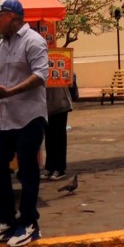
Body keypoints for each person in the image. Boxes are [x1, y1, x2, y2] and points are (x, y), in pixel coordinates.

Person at [0, 0, 49, 247]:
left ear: (11, 16)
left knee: (27, 170)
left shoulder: (34, 41)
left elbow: (40, 76)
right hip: (6, 117)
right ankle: (5, 220)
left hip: (29, 116)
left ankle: (29, 223)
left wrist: (10, 93)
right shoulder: (3, 44)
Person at [43, 33, 73, 181]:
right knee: (49, 137)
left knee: (58, 136)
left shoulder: (56, 58)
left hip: (59, 103)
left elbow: (68, 76)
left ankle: (59, 168)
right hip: (46, 105)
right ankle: (50, 166)